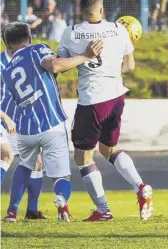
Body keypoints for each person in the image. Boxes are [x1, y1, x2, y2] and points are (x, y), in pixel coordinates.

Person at [58, 0, 153, 222]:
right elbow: (129, 66)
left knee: (82, 158)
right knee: (108, 149)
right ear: (102, 10)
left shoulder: (70, 32)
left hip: (92, 100)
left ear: (80, 10)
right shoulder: (119, 30)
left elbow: (62, 66)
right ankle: (140, 187)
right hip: (117, 97)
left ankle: (103, 209)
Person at [1, 22, 102, 222]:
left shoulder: (7, 71)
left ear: (7, 45)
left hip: (26, 129)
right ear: (29, 38)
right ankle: (61, 200)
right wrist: (85, 56)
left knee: (25, 165)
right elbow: (54, 65)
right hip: (51, 123)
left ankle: (12, 212)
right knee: (61, 176)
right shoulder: (38, 49)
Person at [1, 40, 46, 222]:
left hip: (20, 123)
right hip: (3, 119)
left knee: (36, 162)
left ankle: (31, 211)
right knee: (5, 155)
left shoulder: (31, 64)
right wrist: (4, 117)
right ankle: (12, 213)